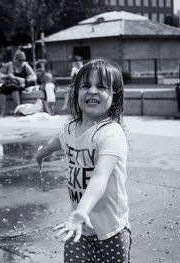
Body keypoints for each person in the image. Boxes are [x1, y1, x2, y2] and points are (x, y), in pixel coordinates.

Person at [36, 58, 131, 263]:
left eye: (102, 87)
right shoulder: (71, 127)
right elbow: (57, 141)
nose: (92, 91)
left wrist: (80, 212)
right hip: (79, 227)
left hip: (111, 229)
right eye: (86, 86)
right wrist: (41, 153)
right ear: (76, 92)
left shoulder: (110, 133)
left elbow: (99, 178)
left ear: (114, 97)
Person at [0, 50, 37, 116]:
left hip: (20, 85)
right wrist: (7, 76)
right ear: (15, 59)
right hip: (9, 84)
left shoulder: (25, 66)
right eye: (20, 60)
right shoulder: (9, 65)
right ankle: (2, 111)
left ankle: (18, 109)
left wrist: (25, 79)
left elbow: (34, 77)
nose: (22, 62)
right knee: (1, 90)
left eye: (23, 60)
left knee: (13, 86)